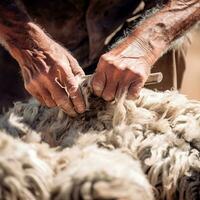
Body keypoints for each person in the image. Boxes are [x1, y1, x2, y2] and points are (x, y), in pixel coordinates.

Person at [0, 0, 199, 116]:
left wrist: (146, 43)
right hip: (16, 46)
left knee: (149, 153)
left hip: (142, 33)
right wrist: (27, 45)